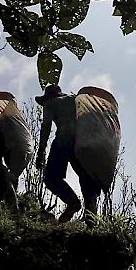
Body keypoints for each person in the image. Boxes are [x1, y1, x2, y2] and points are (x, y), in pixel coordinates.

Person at [35, 85, 101, 223]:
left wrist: (41, 151)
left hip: (63, 141)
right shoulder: (76, 99)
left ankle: (72, 202)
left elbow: (46, 126)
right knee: (86, 178)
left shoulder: (50, 103)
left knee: (51, 178)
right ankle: (92, 217)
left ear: (48, 97)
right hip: (83, 141)